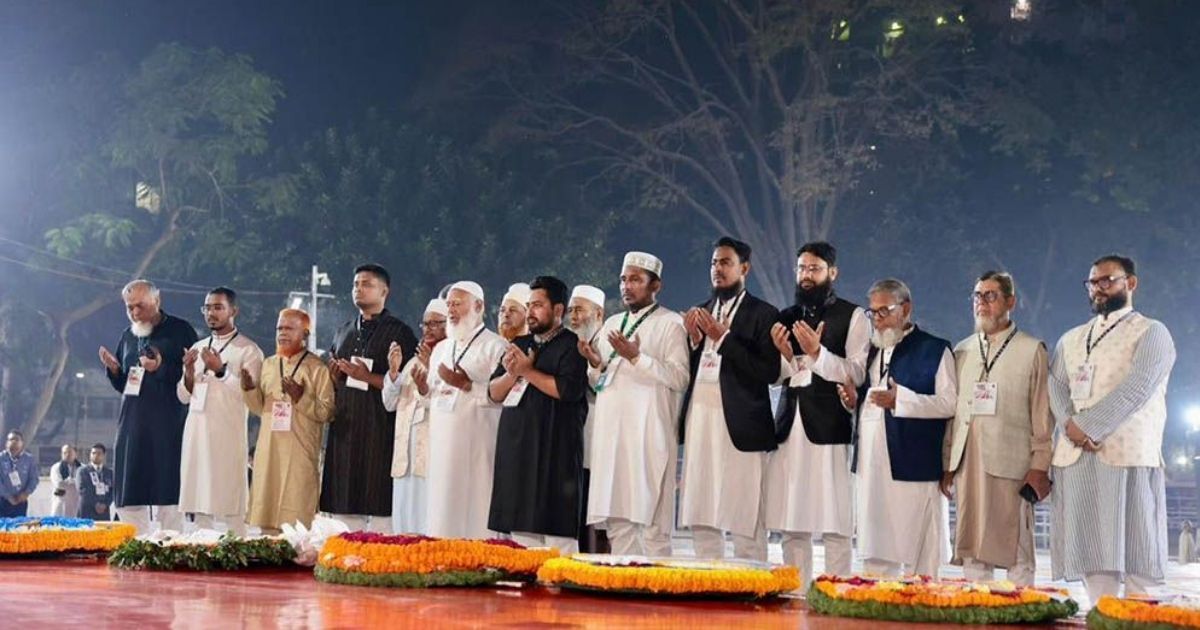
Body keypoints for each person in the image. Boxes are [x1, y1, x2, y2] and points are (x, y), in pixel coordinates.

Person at [1048, 255, 1175, 603]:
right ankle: (1099, 613)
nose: (1098, 288)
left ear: (1130, 283)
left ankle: (1140, 617)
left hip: (1127, 453)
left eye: (1107, 280)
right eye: (1092, 282)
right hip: (1076, 455)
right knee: (1092, 547)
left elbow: (1139, 386)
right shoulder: (1071, 338)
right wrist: (1070, 425)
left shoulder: (1152, 332)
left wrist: (1089, 426)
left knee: (1136, 545)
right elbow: (1056, 385)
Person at [765, 242, 868, 587]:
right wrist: (784, 356)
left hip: (829, 427)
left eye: (814, 268)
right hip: (788, 427)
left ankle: (835, 595)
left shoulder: (853, 316)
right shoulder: (786, 316)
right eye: (801, 268)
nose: (806, 275)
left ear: (832, 273)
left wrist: (817, 353)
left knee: (835, 523)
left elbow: (857, 372)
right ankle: (795, 592)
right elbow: (776, 376)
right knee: (792, 522)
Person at [841, 278, 956, 577]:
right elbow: (866, 400)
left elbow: (949, 404)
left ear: (905, 309)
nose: (877, 320)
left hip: (913, 469)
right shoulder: (871, 352)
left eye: (885, 311)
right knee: (875, 556)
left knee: (919, 561)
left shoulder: (935, 349)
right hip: (870, 470)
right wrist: (852, 401)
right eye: (873, 312)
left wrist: (901, 401)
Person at [943, 271, 1052, 586]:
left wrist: (1040, 466)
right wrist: (948, 463)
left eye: (990, 296)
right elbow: (954, 414)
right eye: (977, 296)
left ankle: (1021, 606)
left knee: (1016, 547)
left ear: (1010, 302)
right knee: (972, 546)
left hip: (1012, 465)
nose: (982, 303)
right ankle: (978, 604)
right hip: (968, 465)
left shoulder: (1031, 349)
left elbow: (1042, 414)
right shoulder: (963, 350)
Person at [679, 237, 781, 561]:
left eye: (725, 262)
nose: (717, 269)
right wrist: (694, 342)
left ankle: (752, 582)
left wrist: (723, 338)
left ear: (744, 268)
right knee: (702, 512)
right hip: (700, 419)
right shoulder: (700, 312)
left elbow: (768, 370)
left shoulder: (763, 314)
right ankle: (709, 581)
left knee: (744, 517)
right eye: (713, 263)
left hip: (741, 423)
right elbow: (687, 370)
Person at [583, 252, 690, 557]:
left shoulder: (671, 324)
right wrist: (595, 365)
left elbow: (680, 377)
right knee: (618, 520)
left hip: (649, 436)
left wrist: (636, 357)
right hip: (612, 436)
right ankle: (623, 580)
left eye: (635, 280)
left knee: (653, 526)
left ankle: (656, 583)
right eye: (623, 279)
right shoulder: (612, 324)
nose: (626, 286)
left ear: (656, 285)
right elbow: (600, 382)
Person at [488, 276, 589, 553]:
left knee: (556, 536)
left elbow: (567, 390)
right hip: (517, 451)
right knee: (521, 536)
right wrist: (513, 373)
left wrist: (527, 371)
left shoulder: (572, 345)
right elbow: (493, 392)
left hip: (555, 453)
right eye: (529, 305)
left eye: (538, 305)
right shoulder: (519, 344)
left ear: (558, 310)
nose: (531, 312)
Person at [323, 264, 418, 532]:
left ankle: (380, 554)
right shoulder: (343, 331)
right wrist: (335, 377)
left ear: (384, 291)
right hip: (345, 428)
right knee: (344, 503)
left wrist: (366, 377)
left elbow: (406, 386)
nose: (358, 289)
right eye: (355, 284)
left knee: (379, 501)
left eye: (366, 284)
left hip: (380, 429)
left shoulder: (400, 333)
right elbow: (335, 382)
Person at [98, 279, 198, 532]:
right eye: (129, 307)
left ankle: (169, 545)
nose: (134, 312)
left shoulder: (180, 330)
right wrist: (114, 370)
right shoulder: (128, 335)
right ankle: (136, 544)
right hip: (132, 423)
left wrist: (160, 367)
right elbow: (125, 384)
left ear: (157, 300)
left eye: (140, 306)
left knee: (168, 492)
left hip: (168, 422)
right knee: (129, 492)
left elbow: (193, 378)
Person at [425, 281, 509, 538]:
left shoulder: (496, 347)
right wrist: (422, 388)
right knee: (442, 508)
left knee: (477, 506)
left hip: (479, 445)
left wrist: (466, 384)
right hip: (442, 446)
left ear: (478, 306)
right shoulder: (441, 348)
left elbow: (502, 395)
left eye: (458, 304)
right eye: (449, 304)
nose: (451, 310)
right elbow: (432, 395)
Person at [177, 287, 264, 535]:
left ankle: (236, 549)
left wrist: (221, 371)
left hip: (226, 435)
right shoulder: (197, 347)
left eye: (218, 307)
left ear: (233, 311)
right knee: (199, 502)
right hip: (196, 433)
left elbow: (251, 397)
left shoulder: (249, 350)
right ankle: (201, 549)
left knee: (231, 503)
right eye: (207, 308)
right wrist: (188, 372)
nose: (211, 313)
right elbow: (183, 396)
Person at [242, 308, 336, 534]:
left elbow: (327, 413)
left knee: (297, 523)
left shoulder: (317, 368)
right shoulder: (269, 364)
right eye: (279, 328)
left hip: (299, 453)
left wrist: (300, 397)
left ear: (305, 334)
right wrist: (249, 389)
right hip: (269, 450)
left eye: (289, 328)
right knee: (267, 516)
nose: (282, 333)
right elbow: (259, 408)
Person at [381, 297, 448, 534]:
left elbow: (444, 403)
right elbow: (390, 403)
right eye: (425, 324)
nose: (428, 329)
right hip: (404, 452)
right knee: (403, 520)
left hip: (431, 450)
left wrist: (426, 381)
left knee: (426, 519)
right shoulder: (412, 362)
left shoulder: (449, 359)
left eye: (435, 323)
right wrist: (393, 371)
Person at [566, 283, 609, 552]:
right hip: (574, 439)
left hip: (600, 437)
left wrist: (594, 363)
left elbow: (606, 385)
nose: (573, 316)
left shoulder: (609, 342)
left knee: (599, 517)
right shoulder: (570, 345)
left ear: (598, 314)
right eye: (571, 310)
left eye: (580, 310)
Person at [0, 431, 37, 517]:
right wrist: (8, 496)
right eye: (11, 439)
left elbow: (34, 479)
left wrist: (26, 493)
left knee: (19, 524)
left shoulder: (29, 459)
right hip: (3, 500)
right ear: (6, 443)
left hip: (21, 500)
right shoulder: (1, 458)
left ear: (22, 443)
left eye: (16, 439)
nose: (13, 442)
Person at [77, 444, 115, 520]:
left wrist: (105, 504)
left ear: (104, 455)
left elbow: (113, 491)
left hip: (104, 512)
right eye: (93, 453)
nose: (95, 456)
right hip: (87, 511)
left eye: (99, 453)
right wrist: (95, 504)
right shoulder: (83, 471)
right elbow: (82, 490)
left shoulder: (109, 473)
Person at [49, 444, 82, 518]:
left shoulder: (82, 468)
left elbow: (83, 484)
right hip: (61, 504)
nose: (67, 455)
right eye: (64, 453)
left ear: (75, 454)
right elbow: (59, 484)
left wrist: (68, 482)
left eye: (69, 452)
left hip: (76, 504)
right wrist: (75, 481)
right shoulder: (56, 467)